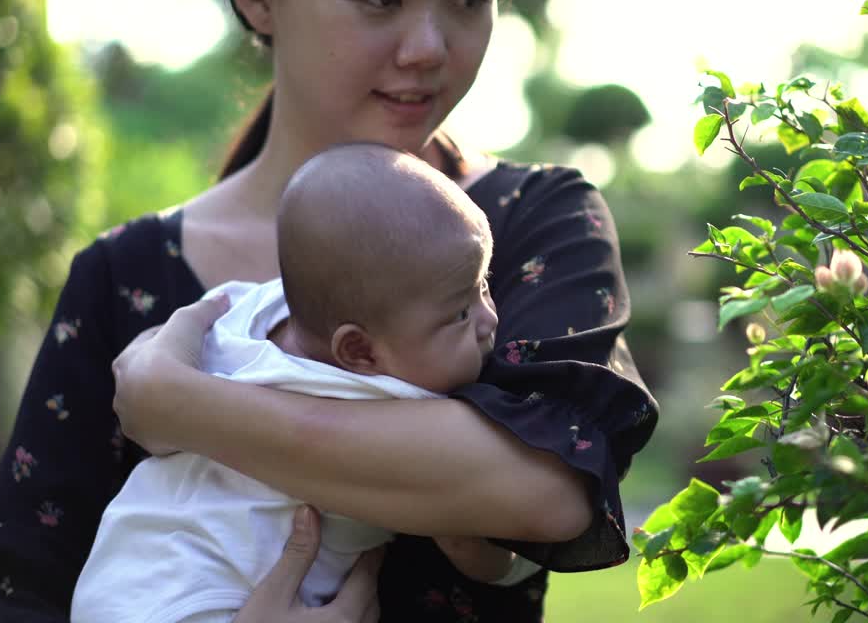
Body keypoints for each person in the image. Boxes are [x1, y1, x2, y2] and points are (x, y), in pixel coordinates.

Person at [0, 0, 658, 621]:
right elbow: (12, 592)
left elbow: (553, 487)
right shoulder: (123, 279)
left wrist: (184, 406)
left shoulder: (532, 223)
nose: (430, 46)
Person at [71, 143, 538, 623]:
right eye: (459, 313)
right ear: (358, 351)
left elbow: (158, 344)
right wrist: (512, 565)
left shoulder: (245, 309)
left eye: (483, 284)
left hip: (123, 569)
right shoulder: (391, 398)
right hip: (200, 601)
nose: (488, 319)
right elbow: (470, 528)